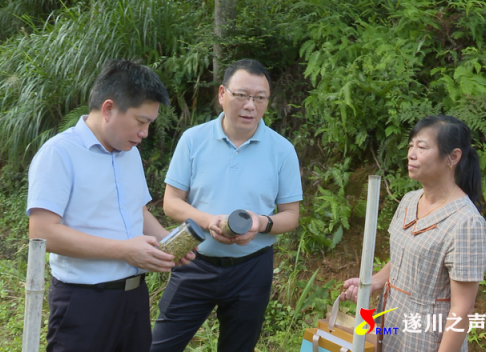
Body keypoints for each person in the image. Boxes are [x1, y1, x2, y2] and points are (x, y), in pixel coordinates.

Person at [27, 59, 195, 352]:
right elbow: (43, 233)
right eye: (140, 122)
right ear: (108, 109)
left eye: (149, 124)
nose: (144, 132)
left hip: (133, 299)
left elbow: (137, 211)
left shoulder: (128, 152)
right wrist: (125, 251)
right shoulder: (59, 154)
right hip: (84, 302)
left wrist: (167, 242)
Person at [151, 59, 303, 352]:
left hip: (251, 269)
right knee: (160, 346)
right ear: (222, 94)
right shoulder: (193, 139)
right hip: (194, 262)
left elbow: (291, 215)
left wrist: (261, 223)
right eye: (242, 95)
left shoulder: (282, 150)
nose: (250, 106)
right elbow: (171, 202)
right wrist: (209, 221)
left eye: (260, 98)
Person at [340, 116, 486, 352]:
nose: (411, 153)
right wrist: (376, 280)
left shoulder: (467, 224)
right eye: (411, 146)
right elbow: (406, 254)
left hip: (428, 338)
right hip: (391, 323)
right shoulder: (410, 201)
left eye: (422, 147)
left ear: (453, 157)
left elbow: (462, 309)